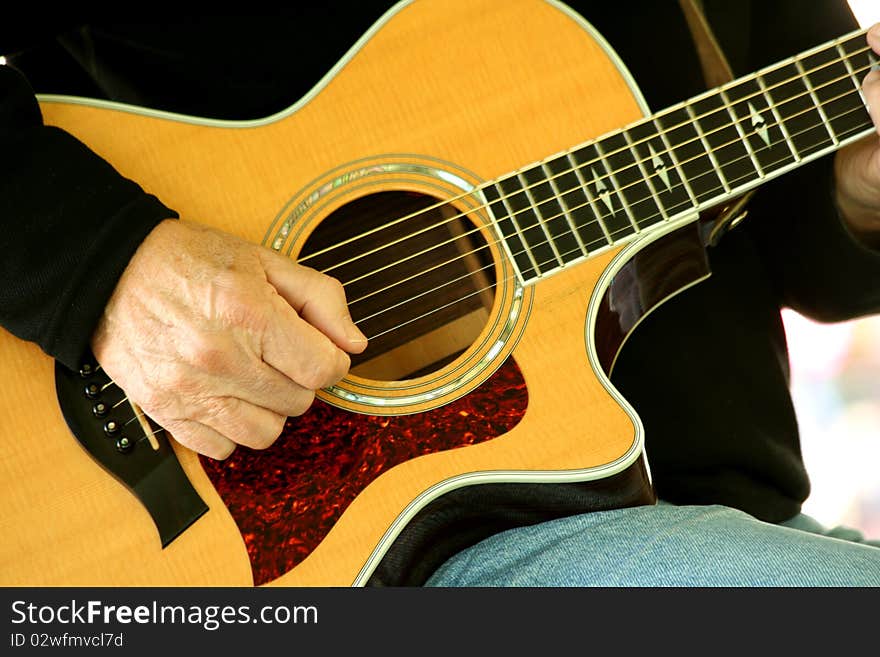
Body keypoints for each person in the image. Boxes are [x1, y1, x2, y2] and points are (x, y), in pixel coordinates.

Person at [1, 1, 879, 586]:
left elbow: (798, 228)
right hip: (395, 555)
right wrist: (102, 272)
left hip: (729, 514)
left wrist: (862, 193)